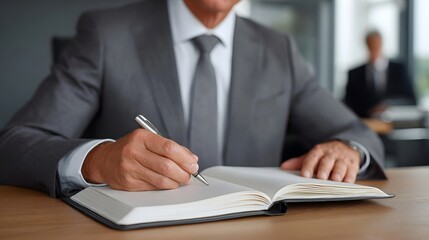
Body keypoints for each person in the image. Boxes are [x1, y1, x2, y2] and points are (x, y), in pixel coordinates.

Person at [0, 0, 386, 198]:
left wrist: (346, 149)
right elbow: (15, 143)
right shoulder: (106, 34)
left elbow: (355, 132)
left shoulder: (278, 49)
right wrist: (98, 160)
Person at [344, 30, 416, 118]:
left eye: (376, 44)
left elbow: (411, 100)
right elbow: (348, 104)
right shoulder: (354, 74)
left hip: (394, 123)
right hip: (366, 124)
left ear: (382, 44)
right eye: (371, 44)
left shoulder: (399, 70)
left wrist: (388, 106)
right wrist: (370, 109)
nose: (374, 47)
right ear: (366, 45)